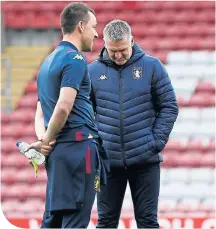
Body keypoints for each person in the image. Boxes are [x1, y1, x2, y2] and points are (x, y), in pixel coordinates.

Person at [25, 3, 109, 228]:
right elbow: (63, 106)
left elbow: (40, 111)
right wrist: (45, 141)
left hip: (59, 155)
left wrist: (45, 140)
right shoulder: (76, 59)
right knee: (75, 222)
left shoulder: (47, 61)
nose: (96, 33)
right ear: (81, 26)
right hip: (80, 151)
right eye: (93, 27)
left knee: (53, 220)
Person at [88, 19, 179, 228]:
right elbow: (84, 113)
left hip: (145, 161)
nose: (118, 55)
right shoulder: (92, 72)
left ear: (132, 41)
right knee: (106, 222)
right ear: (104, 45)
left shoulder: (152, 66)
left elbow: (169, 106)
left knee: (147, 222)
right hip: (107, 164)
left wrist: (155, 142)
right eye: (113, 51)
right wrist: (96, 146)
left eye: (122, 50)